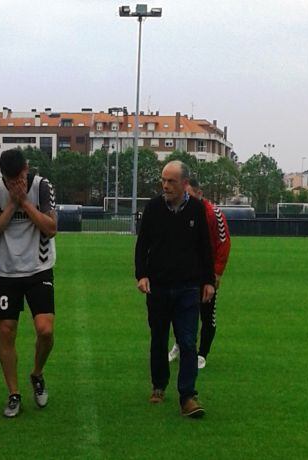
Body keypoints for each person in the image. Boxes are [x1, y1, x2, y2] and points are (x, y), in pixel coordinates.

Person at [0, 148, 57, 418]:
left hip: (39, 267)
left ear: (26, 169)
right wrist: (11, 204)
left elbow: (50, 227)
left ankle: (37, 373)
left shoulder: (42, 186)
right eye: (9, 180)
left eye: (19, 177)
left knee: (45, 330)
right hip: (6, 271)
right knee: (7, 330)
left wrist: (24, 202)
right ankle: (14, 393)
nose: (14, 184)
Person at [135, 160, 215, 418]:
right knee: (158, 339)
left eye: (171, 181)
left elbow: (205, 247)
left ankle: (188, 396)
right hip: (157, 287)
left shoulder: (198, 209)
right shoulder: (154, 208)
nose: (165, 186)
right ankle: (158, 385)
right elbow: (142, 244)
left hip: (188, 288)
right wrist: (142, 275)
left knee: (188, 342)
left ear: (184, 184)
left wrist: (209, 282)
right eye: (163, 180)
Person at [168, 178, 231, 370]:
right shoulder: (178, 211)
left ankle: (202, 354)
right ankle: (180, 344)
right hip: (184, 272)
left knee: (206, 314)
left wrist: (217, 273)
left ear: (199, 193)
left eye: (190, 195)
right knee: (180, 311)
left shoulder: (214, 213)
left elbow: (224, 243)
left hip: (206, 274)